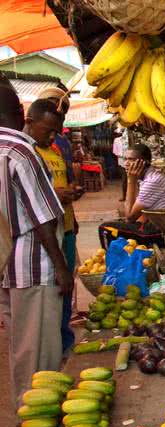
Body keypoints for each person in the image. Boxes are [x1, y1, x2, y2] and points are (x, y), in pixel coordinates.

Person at [0, 90, 73, 403]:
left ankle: (28, 409)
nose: (53, 136)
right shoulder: (21, 153)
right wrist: (61, 267)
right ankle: (36, 420)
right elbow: (43, 218)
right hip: (32, 265)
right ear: (20, 112)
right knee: (39, 351)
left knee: (22, 343)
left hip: (7, 265)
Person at [35, 89, 83, 354]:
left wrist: (72, 199)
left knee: (66, 285)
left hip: (64, 224)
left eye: (62, 112)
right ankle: (51, 346)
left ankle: (64, 341)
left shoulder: (57, 147)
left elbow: (64, 180)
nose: (57, 119)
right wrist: (56, 194)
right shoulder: (27, 152)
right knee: (50, 289)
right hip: (43, 230)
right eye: (53, 109)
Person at [98, 143, 165, 248]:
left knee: (105, 228)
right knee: (120, 225)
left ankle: (111, 262)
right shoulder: (148, 178)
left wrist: (131, 180)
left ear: (144, 162)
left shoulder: (153, 181)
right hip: (161, 227)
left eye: (131, 159)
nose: (126, 163)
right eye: (126, 159)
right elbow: (136, 212)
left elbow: (130, 217)